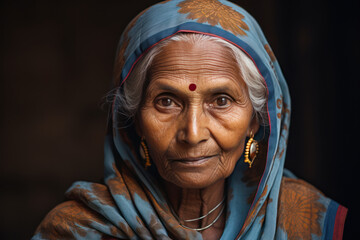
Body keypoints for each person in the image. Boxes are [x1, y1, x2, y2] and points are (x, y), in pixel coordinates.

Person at [32, 0, 347, 239]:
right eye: (166, 102)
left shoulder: (310, 221)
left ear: (255, 119)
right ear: (134, 120)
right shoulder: (79, 228)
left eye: (221, 101)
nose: (193, 133)